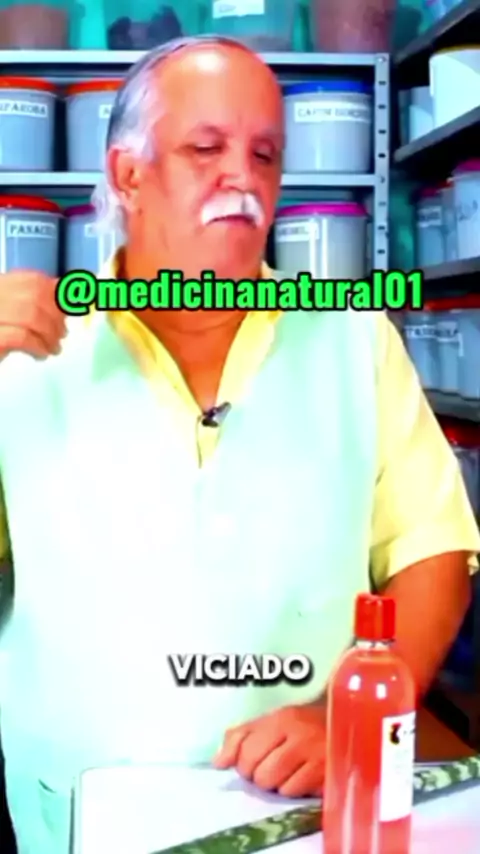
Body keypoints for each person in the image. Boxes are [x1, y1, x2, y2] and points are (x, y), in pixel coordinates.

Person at [0, 36, 478, 854]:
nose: (242, 178)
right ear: (128, 174)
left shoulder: (351, 340)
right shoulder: (28, 354)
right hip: (77, 814)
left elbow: (431, 551)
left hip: (302, 816)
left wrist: (347, 718)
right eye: (206, 149)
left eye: (264, 154)